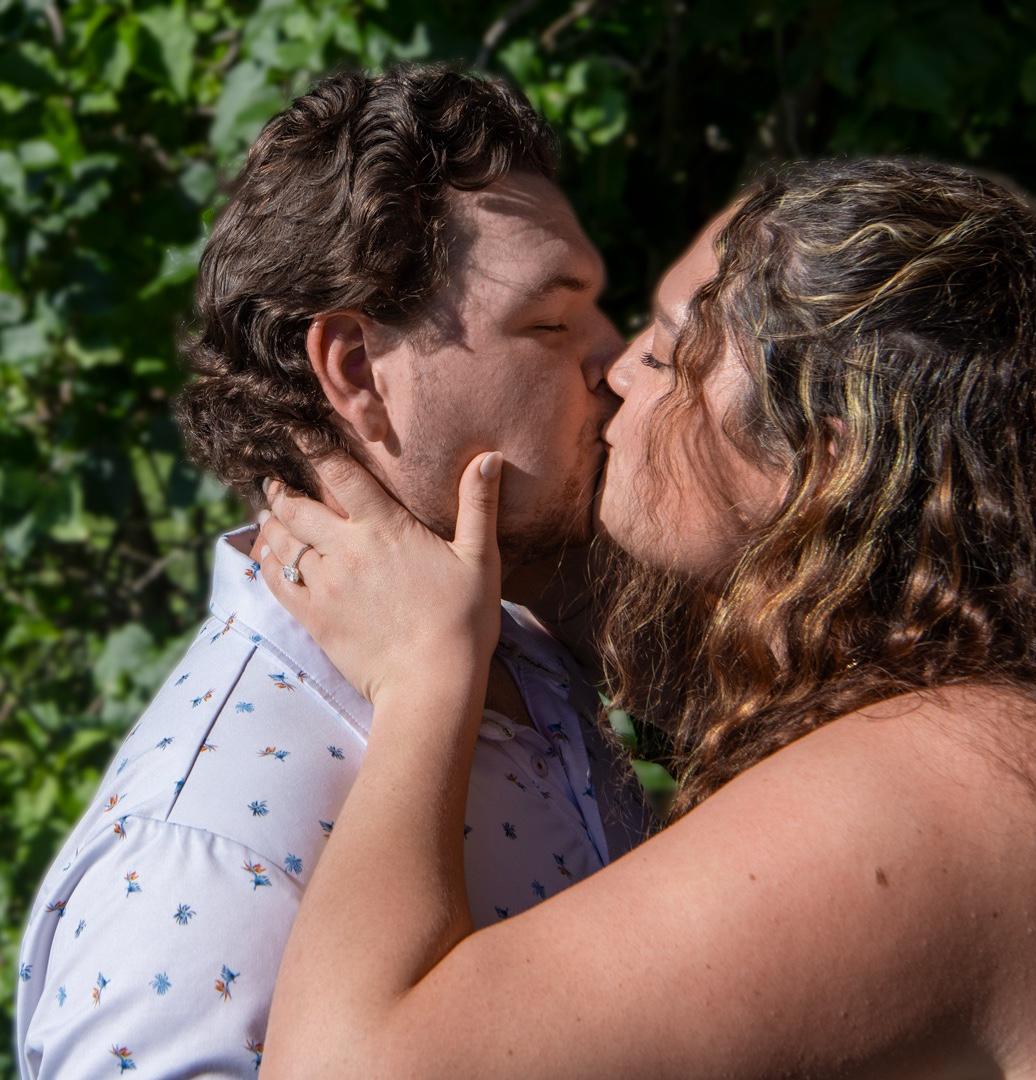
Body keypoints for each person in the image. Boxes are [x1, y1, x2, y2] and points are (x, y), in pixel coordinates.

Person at [254, 159, 1036, 1077]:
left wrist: (421, 672)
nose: (615, 371)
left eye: (668, 351)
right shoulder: (989, 712)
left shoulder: (930, 791)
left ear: (821, 466)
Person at [14, 66, 643, 1079]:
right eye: (550, 321)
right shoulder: (201, 853)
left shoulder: (521, 650)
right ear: (355, 369)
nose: (617, 360)